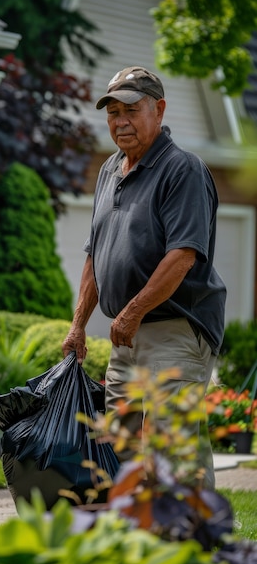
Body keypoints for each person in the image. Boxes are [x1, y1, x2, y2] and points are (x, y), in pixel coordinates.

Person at [62, 66, 226, 489]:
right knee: (120, 448)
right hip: (127, 337)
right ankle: (136, 544)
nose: (121, 121)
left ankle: (197, 542)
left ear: (159, 110)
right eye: (113, 112)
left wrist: (132, 312)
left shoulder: (182, 169)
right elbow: (95, 254)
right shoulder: (109, 171)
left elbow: (182, 256)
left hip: (174, 327)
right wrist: (78, 325)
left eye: (131, 109)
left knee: (175, 446)